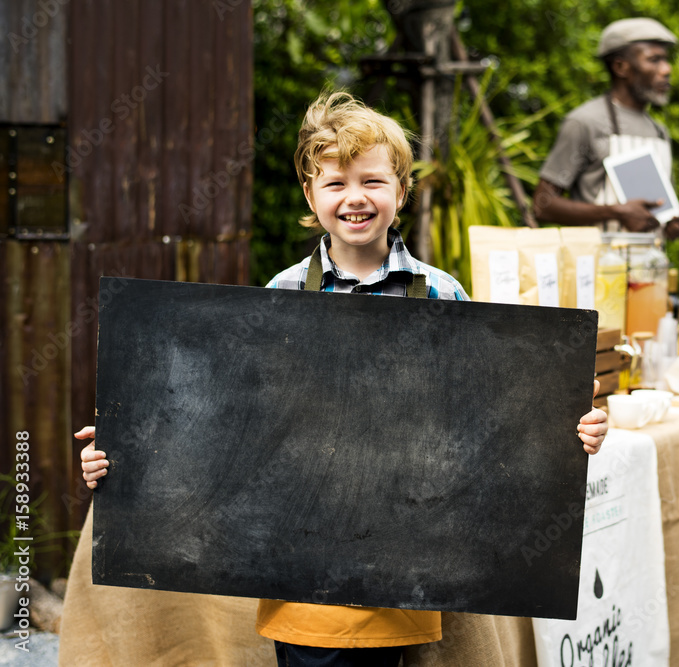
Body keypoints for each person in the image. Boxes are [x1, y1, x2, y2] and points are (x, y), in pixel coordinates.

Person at [77, 90, 609, 667]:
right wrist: (127, 453)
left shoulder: (440, 294)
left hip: (405, 573)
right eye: (335, 183)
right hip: (302, 577)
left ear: (401, 191)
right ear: (311, 195)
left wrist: (568, 431)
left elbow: (485, 422)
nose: (355, 198)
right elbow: (227, 429)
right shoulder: (279, 297)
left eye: (373, 182)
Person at [532, 17, 679, 239]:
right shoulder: (585, 122)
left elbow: (657, 211)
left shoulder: (659, 131)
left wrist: (672, 225)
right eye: (654, 60)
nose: (666, 69)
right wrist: (616, 212)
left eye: (666, 60)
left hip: (649, 269)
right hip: (596, 268)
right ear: (620, 67)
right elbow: (542, 205)